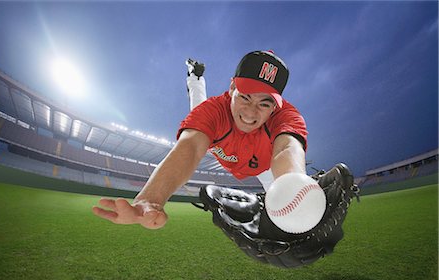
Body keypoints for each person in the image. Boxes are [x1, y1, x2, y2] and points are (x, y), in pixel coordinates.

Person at [92, 50, 308, 230]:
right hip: (216, 142)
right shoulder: (214, 112)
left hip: (263, 167)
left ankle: (196, 77)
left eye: (264, 103)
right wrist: (150, 200)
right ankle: (195, 77)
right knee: (198, 108)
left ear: (277, 105)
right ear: (232, 87)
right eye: (245, 96)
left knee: (286, 203)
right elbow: (191, 148)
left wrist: (295, 184)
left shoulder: (286, 116)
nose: (251, 113)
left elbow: (287, 148)